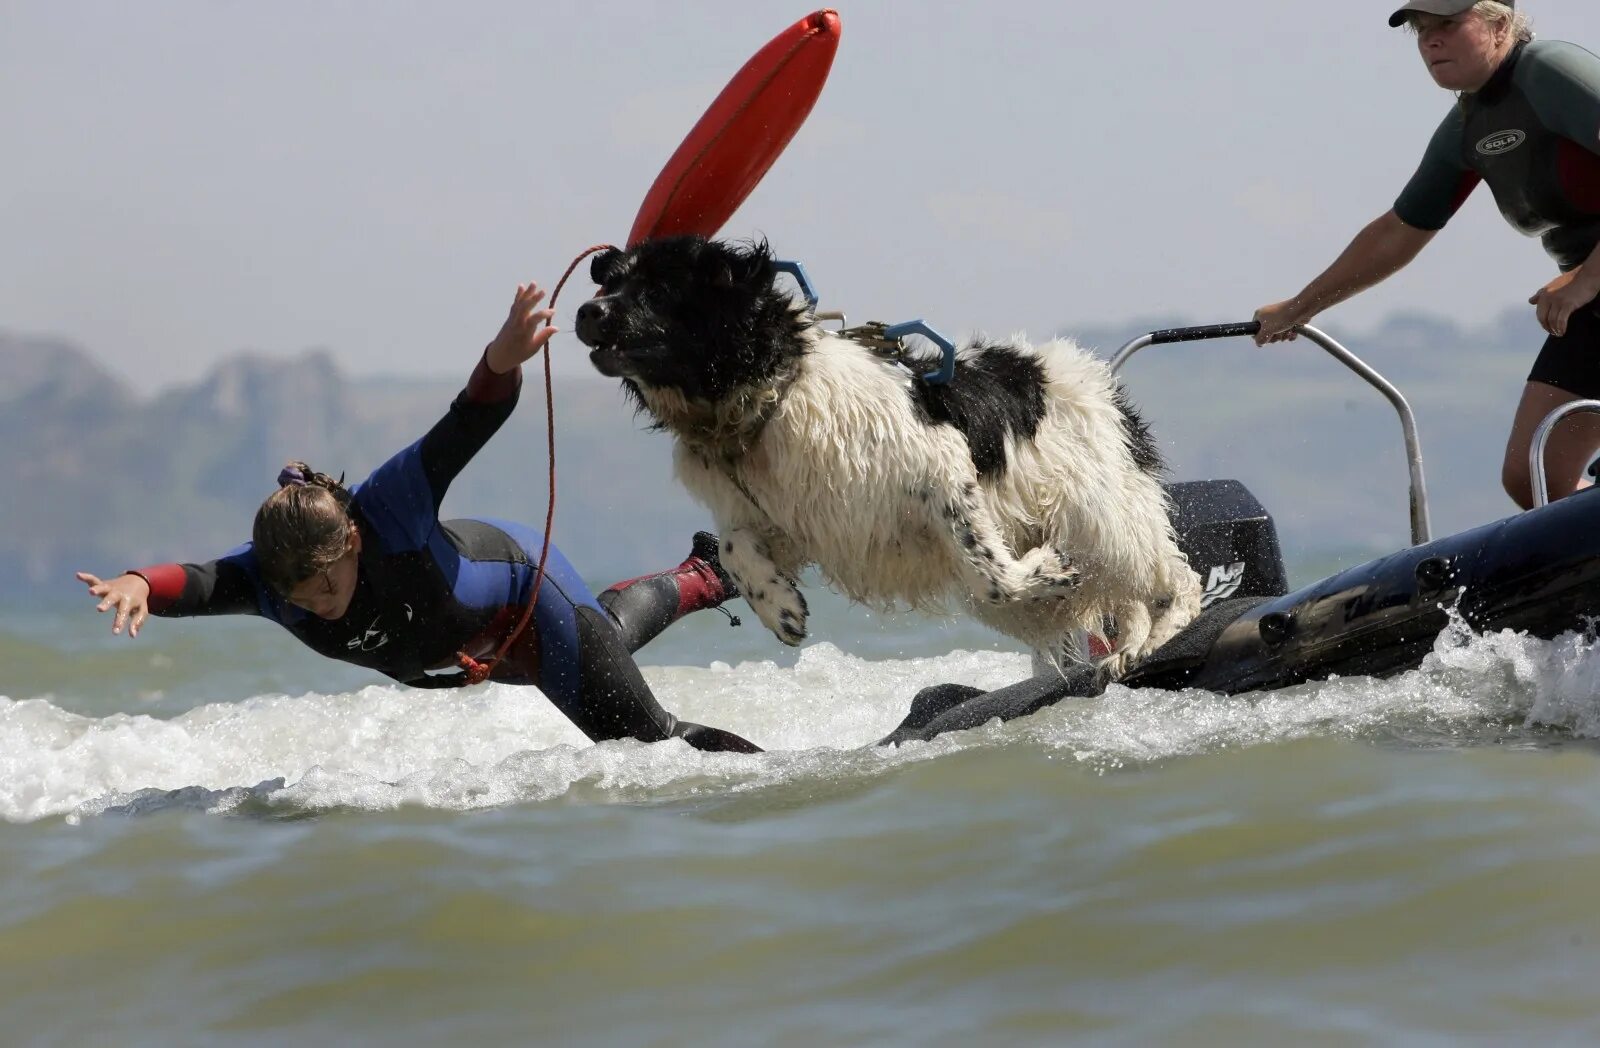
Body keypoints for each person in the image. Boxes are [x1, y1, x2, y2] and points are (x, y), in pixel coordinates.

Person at [76, 282, 760, 754]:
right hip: (481, 648)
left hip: (524, 593)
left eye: (324, 586)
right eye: (297, 597)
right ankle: (705, 572)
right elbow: (195, 583)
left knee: (646, 748)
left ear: (351, 538)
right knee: (604, 639)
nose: (317, 608)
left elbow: (469, 421)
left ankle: (781, 782)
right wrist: (138, 583)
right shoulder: (273, 579)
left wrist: (501, 358)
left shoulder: (389, 508)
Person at [1253, 1, 1600, 508]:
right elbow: (1400, 230)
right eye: (1421, 30)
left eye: (1448, 25)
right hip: (1592, 294)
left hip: (1592, 285)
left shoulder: (1549, 71)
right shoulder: (1470, 123)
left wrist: (1588, 278)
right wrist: (1297, 309)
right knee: (1535, 479)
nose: (1430, 41)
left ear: (1500, 24)